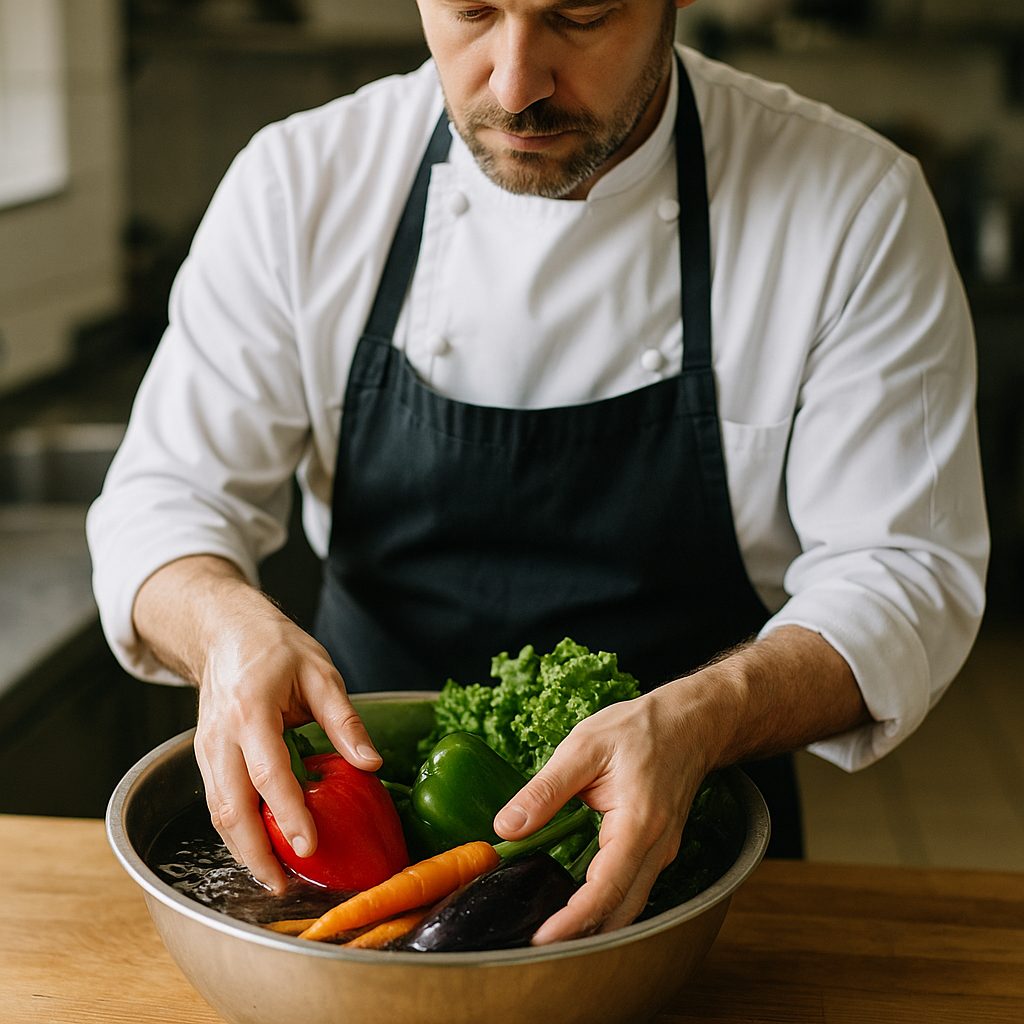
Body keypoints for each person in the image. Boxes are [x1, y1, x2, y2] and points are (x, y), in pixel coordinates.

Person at [87, 0, 988, 943]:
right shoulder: (301, 184)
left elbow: (903, 569)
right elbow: (162, 501)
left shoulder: (852, 205)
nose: (516, 85)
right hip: (365, 869)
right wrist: (224, 629)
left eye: (582, 15)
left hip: (689, 859)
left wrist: (708, 714)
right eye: (473, 10)